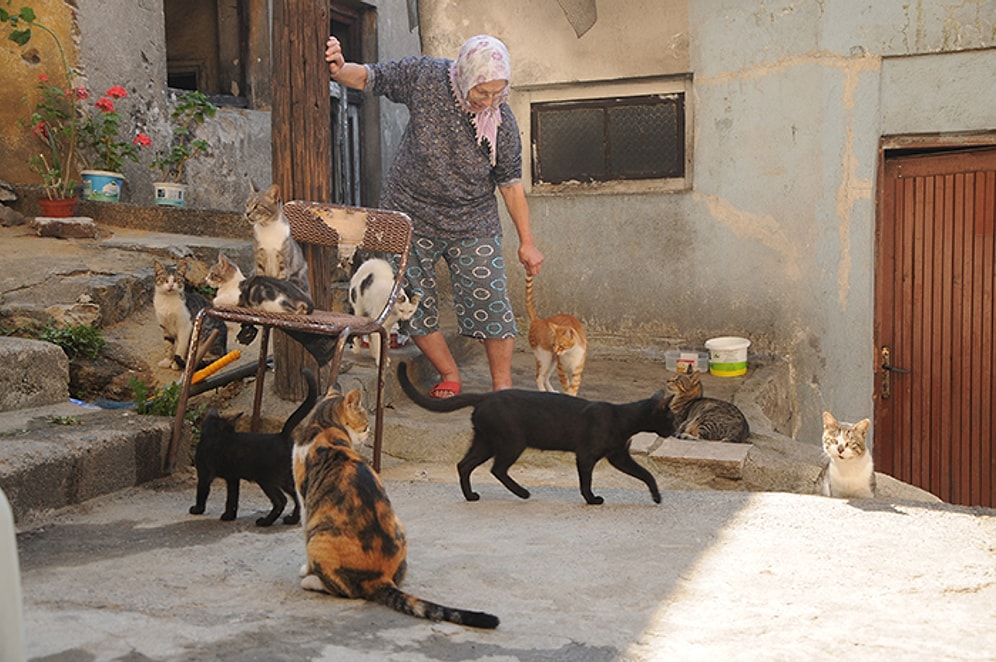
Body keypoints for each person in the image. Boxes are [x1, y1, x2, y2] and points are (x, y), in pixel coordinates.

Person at [325, 34, 544, 397]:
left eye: (497, 94)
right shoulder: (427, 77)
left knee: (490, 299)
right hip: (410, 214)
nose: (488, 102)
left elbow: (510, 185)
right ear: (464, 75)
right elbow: (371, 77)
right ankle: (449, 373)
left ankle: (503, 390)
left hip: (472, 218)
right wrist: (339, 68)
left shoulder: (501, 121)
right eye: (482, 93)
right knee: (412, 302)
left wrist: (528, 243)